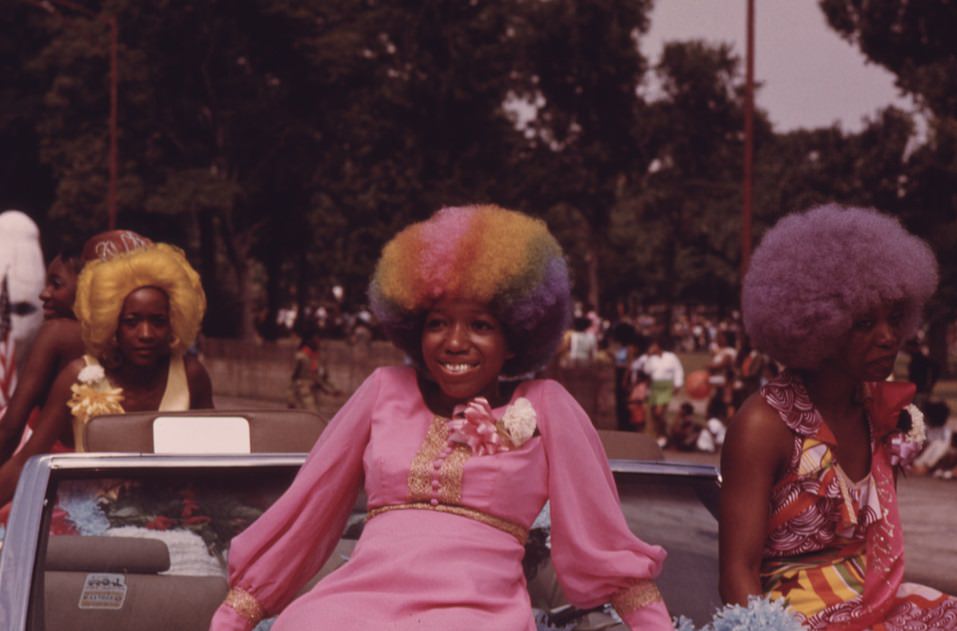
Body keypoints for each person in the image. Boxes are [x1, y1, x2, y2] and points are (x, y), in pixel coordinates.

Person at [209, 204, 674, 630]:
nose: (454, 342)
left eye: (480, 325)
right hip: (352, 607)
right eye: (436, 323)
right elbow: (308, 510)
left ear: (514, 337)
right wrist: (235, 617)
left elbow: (603, 540)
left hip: (478, 617)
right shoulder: (383, 390)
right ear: (413, 328)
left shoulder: (548, 403)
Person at [719, 204, 957, 628]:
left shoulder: (879, 410)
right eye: (864, 323)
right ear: (815, 326)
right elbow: (737, 575)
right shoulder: (763, 425)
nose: (888, 338)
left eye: (895, 318)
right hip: (792, 619)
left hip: (874, 606)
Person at [0, 241, 213, 505]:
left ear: (174, 322)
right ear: (111, 323)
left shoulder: (192, 375)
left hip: (172, 520)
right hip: (87, 525)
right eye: (131, 322)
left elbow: (218, 461)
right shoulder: (77, 375)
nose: (145, 334)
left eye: (158, 321)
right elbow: (25, 462)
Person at [0, 230, 152, 463]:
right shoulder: (151, 347)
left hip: (55, 472)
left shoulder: (57, 334)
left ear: (89, 287)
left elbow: (10, 431)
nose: (44, 293)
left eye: (56, 284)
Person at [634, 337, 684, 448]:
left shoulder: (670, 357)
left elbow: (678, 369)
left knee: (659, 412)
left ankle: (665, 435)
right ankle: (661, 435)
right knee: (654, 414)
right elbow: (645, 370)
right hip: (655, 387)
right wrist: (648, 357)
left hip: (666, 387)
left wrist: (678, 383)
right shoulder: (650, 359)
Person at [287, 327, 341, 414]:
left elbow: (323, 377)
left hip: (315, 391)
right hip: (303, 392)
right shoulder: (300, 357)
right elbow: (292, 377)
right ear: (308, 340)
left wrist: (333, 389)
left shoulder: (318, 358)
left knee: (315, 415)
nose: (318, 341)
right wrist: (290, 398)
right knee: (311, 414)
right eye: (316, 338)